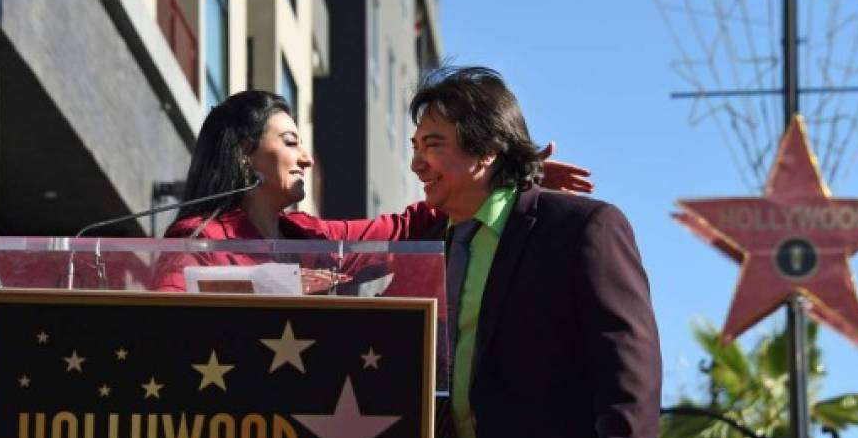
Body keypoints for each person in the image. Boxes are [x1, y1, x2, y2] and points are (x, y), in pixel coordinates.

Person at [410, 66, 671, 438]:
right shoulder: (436, 249)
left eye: (434, 146)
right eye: (415, 149)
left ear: (485, 151)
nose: (419, 164)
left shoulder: (581, 227)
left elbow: (630, 361)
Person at [154, 90, 592, 291]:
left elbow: (407, 229)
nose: (306, 158)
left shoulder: (308, 238)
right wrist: (274, 285)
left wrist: (501, 175)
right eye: (290, 143)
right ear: (244, 153)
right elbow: (167, 322)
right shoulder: (199, 238)